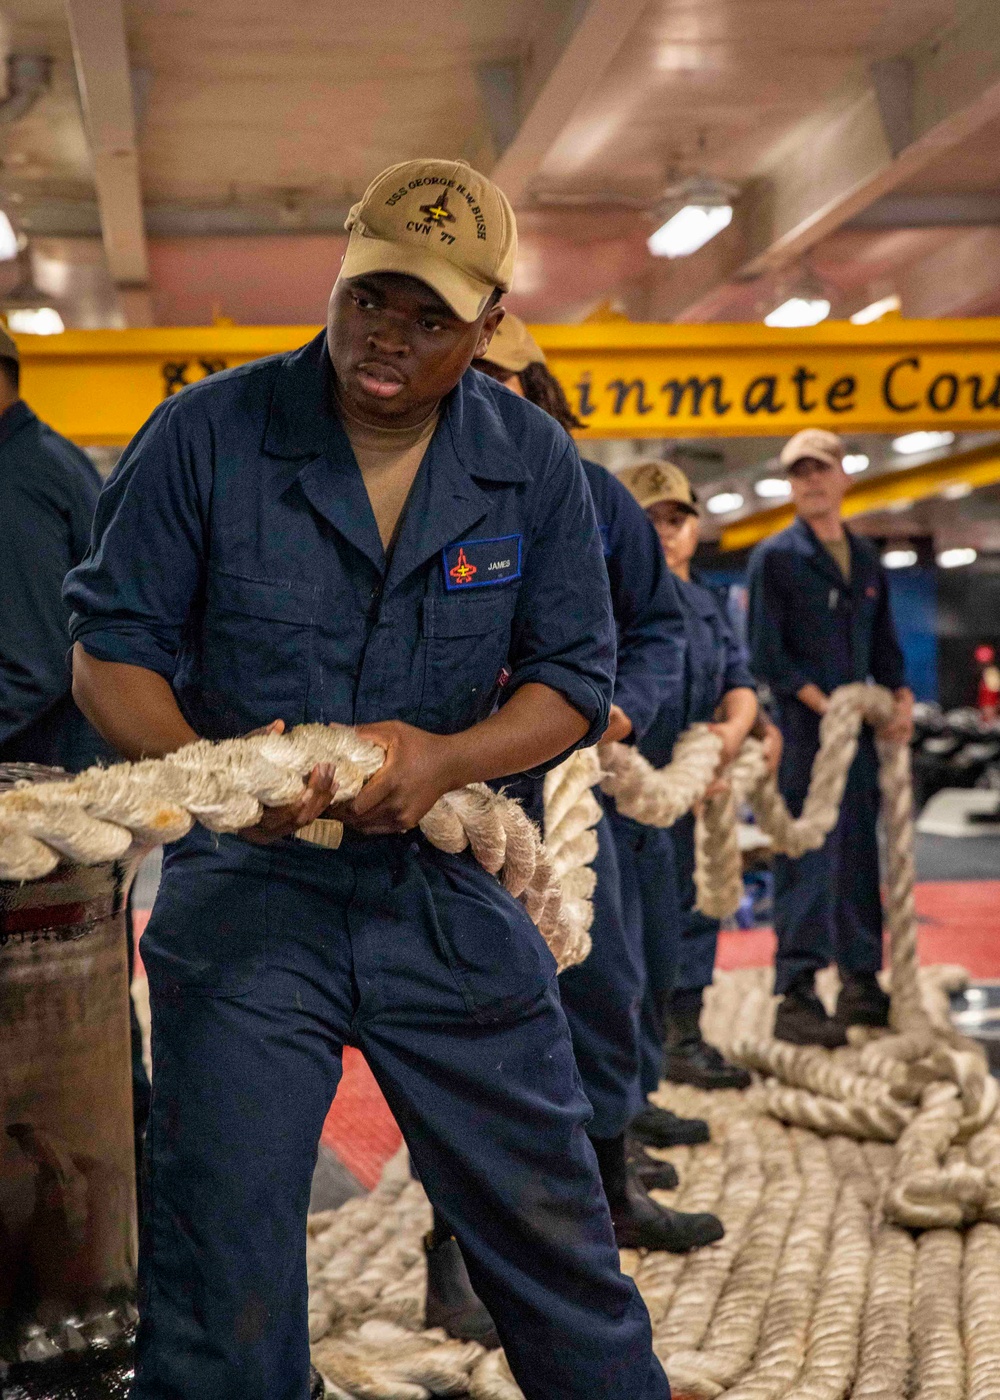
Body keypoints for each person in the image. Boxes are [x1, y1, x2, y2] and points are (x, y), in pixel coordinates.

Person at [64, 158, 669, 1400]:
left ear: (489, 323)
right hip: (248, 900)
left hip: (440, 894)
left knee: (553, 1233)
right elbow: (107, 651)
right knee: (219, 1271)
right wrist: (211, 770)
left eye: (431, 316)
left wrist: (444, 756)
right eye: (370, 298)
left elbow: (568, 673)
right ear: (338, 277)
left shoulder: (534, 468)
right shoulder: (207, 435)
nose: (388, 336)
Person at [473, 317, 723, 1242]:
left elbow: (660, 624)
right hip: (455, 798)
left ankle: (610, 1189)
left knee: (604, 978)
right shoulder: (415, 491)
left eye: (506, 380)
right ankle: (458, 1242)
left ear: (540, 392)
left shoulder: (596, 497)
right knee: (465, 1013)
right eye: (474, 377)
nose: (488, 396)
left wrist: (623, 708)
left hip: (573, 783)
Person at [747, 428, 914, 1047]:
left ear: (844, 475)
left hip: (861, 742)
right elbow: (767, 656)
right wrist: (830, 706)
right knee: (806, 859)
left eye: (821, 469)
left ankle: (861, 981)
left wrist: (899, 700)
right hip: (802, 737)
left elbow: (886, 650)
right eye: (799, 473)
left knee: (859, 857)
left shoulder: (868, 561)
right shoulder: (776, 558)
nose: (811, 481)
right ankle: (796, 992)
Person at [617, 460, 764, 1092]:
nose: (666, 532)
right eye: (650, 520)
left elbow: (740, 683)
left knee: (697, 911)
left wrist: (727, 741)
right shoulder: (611, 599)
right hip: (629, 794)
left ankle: (684, 1036)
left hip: (696, 789)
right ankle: (632, 1066)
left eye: (677, 519)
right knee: (633, 930)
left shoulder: (708, 604)